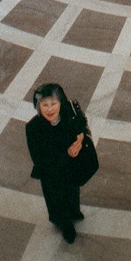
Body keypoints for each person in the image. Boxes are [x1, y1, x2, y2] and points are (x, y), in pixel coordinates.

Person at [25, 82, 88, 243]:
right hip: (51, 173)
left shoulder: (69, 118)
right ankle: (66, 225)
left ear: (61, 103)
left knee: (73, 192)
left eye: (54, 103)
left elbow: (81, 126)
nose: (50, 109)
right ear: (38, 107)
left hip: (70, 168)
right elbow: (38, 158)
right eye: (45, 105)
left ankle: (74, 212)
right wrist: (66, 154)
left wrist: (80, 139)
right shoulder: (33, 128)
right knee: (57, 199)